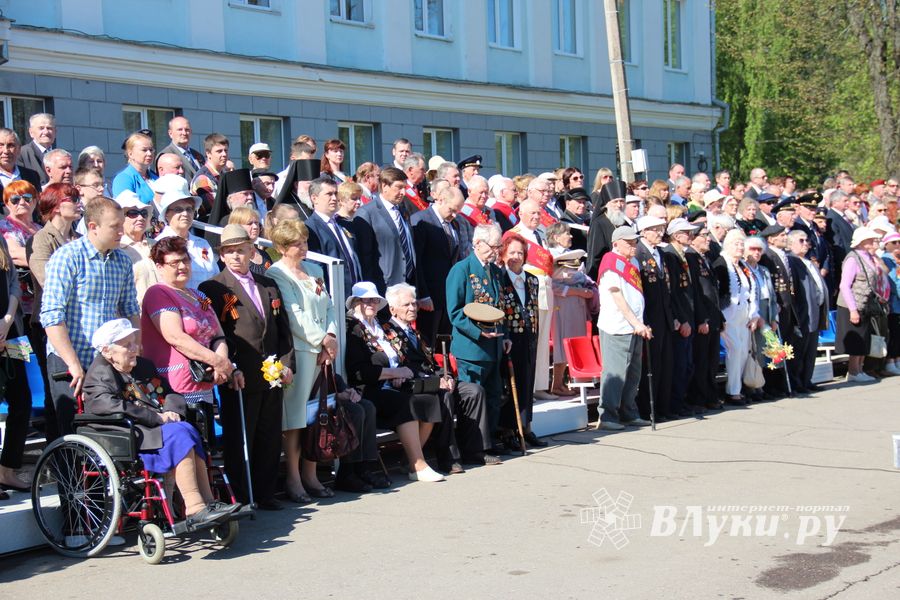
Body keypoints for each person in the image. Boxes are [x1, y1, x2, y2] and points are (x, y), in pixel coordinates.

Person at [267, 220, 386, 496]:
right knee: (297, 418)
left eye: (305, 242)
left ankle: (311, 474)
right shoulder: (278, 274)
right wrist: (321, 339)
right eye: (297, 243)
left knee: (318, 412)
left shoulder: (314, 269)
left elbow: (331, 307)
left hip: (324, 350)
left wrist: (330, 337)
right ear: (283, 248)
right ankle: (294, 478)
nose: (304, 247)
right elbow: (294, 315)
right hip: (301, 352)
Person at [83, 318, 240, 526]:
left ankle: (208, 503)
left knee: (186, 429)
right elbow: (108, 406)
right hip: (132, 434)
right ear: (107, 351)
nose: (134, 348)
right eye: (126, 345)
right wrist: (156, 417)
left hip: (159, 429)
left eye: (134, 342)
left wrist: (169, 410)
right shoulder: (99, 376)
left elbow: (172, 394)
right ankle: (194, 507)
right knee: (179, 433)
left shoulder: (144, 366)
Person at [199, 225, 294, 510]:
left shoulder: (268, 284)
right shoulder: (213, 287)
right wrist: (230, 367)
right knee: (241, 436)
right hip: (240, 373)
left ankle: (266, 492)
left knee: (268, 434)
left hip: (272, 372)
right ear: (222, 255)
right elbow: (215, 333)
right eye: (229, 252)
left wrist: (287, 363)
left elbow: (281, 327)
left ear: (252, 252)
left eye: (241, 250)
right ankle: (241, 495)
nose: (236, 257)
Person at [40, 196, 141, 436]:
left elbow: (130, 309)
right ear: (93, 226)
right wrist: (73, 363)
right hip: (69, 356)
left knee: (103, 431)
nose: (121, 231)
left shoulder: (123, 261)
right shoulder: (67, 257)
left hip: (107, 359)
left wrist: (136, 347)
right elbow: (52, 316)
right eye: (114, 226)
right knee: (71, 430)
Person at [383, 283, 496, 470]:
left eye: (414, 304)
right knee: (444, 396)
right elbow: (403, 365)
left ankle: (475, 451)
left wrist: (446, 376)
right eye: (406, 305)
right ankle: (448, 458)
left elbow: (432, 362)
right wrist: (436, 380)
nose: (412, 308)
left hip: (432, 378)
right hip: (411, 383)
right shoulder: (387, 332)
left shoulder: (417, 331)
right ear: (392, 309)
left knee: (473, 391)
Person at [345, 281, 446, 482]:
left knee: (430, 400)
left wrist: (398, 373)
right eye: (366, 301)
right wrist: (394, 373)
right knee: (405, 403)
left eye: (374, 300)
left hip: (390, 385)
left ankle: (409, 461)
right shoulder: (353, 328)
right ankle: (418, 464)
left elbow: (395, 358)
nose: (371, 304)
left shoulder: (377, 326)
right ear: (356, 302)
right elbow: (359, 372)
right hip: (369, 389)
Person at [141, 236, 233, 445]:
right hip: (175, 386)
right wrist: (217, 362)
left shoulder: (198, 295)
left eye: (185, 261)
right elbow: (175, 337)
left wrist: (222, 363)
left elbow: (217, 334)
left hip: (205, 383)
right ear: (159, 266)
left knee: (205, 448)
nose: (182, 266)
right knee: (187, 449)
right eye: (174, 263)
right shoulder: (158, 292)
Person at [446, 224, 512, 453]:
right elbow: (454, 312)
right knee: (475, 399)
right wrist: (477, 332)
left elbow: (500, 307)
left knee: (494, 396)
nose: (496, 251)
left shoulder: (495, 271)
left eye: (498, 246)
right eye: (492, 246)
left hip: (493, 345)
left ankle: (489, 442)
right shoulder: (461, 270)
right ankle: (473, 448)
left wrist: (506, 335)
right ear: (477, 244)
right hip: (471, 348)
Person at [595, 226, 652, 430]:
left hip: (635, 325)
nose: (633, 245)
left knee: (633, 372)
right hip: (617, 325)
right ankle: (608, 415)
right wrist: (636, 322)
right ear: (616, 243)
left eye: (635, 241)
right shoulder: (611, 262)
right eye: (628, 242)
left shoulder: (633, 261)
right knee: (616, 372)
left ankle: (628, 411)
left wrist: (640, 322)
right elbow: (617, 295)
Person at [497, 234, 549, 445]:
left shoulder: (532, 280)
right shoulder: (498, 278)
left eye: (520, 253)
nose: (516, 257)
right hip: (509, 338)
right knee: (511, 385)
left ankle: (526, 426)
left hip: (529, 336)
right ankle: (508, 430)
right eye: (512, 253)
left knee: (527, 382)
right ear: (503, 254)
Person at [410, 184, 467, 348]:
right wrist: (423, 294)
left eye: (458, 211)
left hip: (448, 294)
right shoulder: (421, 220)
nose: (455, 215)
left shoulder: (453, 223)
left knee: (445, 340)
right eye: (452, 209)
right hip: (430, 295)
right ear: (441, 200)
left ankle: (446, 371)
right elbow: (417, 262)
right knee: (429, 341)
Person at [635, 215, 676, 420]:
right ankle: (647, 409)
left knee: (666, 364)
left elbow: (669, 288)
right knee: (650, 366)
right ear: (644, 231)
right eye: (655, 229)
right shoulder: (638, 252)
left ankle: (663, 407)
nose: (660, 233)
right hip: (648, 316)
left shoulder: (660, 252)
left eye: (661, 229)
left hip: (665, 317)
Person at [836, 227, 890, 382]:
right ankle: (853, 371)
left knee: (864, 337)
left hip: (865, 304)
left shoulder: (868, 257)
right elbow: (845, 285)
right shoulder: (853, 258)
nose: (874, 241)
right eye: (870, 239)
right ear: (861, 241)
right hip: (852, 304)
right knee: (856, 340)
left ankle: (859, 369)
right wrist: (853, 310)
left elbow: (881, 273)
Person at [714, 229, 761, 404]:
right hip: (728, 315)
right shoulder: (721, 263)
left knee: (743, 351)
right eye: (736, 243)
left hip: (744, 315)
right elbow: (718, 292)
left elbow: (751, 291)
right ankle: (732, 391)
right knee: (735, 350)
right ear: (727, 245)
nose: (740, 247)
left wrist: (754, 314)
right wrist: (720, 317)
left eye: (742, 244)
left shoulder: (742, 265)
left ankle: (738, 388)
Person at [0, 236, 32, 492]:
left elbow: (13, 284)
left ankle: (7, 470)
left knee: (22, 400)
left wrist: (7, 320)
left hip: (12, 333)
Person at [663, 218, 703, 417]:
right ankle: (674, 404)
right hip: (681, 318)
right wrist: (682, 319)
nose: (690, 236)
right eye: (686, 232)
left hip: (690, 314)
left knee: (687, 364)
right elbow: (674, 292)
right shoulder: (670, 255)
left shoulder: (685, 256)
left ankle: (681, 401)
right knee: (679, 365)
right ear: (676, 235)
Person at [355, 167, 418, 290]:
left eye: (404, 188)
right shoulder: (367, 213)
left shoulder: (403, 210)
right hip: (385, 286)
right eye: (399, 187)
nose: (403, 193)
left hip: (409, 284)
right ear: (384, 186)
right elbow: (365, 257)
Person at [685, 224, 725, 410]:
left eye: (708, 234)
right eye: (703, 235)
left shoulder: (704, 258)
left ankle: (710, 394)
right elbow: (697, 292)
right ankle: (700, 398)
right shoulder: (691, 258)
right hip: (703, 319)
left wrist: (719, 317)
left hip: (713, 316)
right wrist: (702, 319)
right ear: (693, 238)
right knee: (701, 361)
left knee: (711, 360)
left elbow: (712, 289)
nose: (708, 238)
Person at [154, 176, 219, 289]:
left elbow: (216, 277)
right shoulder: (158, 244)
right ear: (166, 215)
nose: (185, 214)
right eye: (178, 209)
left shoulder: (202, 243)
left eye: (189, 209)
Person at [304, 177, 364, 298]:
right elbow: (316, 267)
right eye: (329, 194)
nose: (335, 198)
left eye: (336, 193)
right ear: (314, 198)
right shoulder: (310, 228)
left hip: (356, 294)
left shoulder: (343, 223)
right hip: (335, 296)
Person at [786, 230, 829, 393]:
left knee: (811, 348)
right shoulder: (791, 261)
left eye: (807, 241)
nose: (806, 243)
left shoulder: (809, 261)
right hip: (803, 312)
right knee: (799, 348)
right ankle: (797, 382)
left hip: (815, 310)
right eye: (801, 240)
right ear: (790, 244)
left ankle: (807, 379)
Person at [744, 235, 780, 400]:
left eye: (759, 250)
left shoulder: (764, 270)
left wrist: (774, 318)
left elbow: (772, 297)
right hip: (754, 313)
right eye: (753, 249)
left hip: (767, 310)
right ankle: (753, 387)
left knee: (769, 350)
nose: (756, 253)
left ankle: (766, 385)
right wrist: (757, 316)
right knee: (755, 350)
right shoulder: (744, 268)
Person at [1, 180, 41, 320]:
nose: (22, 202)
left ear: (35, 201)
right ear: (7, 204)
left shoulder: (40, 228)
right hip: (20, 301)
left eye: (27, 198)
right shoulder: (4, 226)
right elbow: (16, 254)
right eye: (15, 199)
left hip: (42, 300)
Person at [115, 190, 158, 304]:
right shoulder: (115, 250)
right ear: (119, 217)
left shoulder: (156, 245)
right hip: (136, 316)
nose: (140, 218)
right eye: (133, 213)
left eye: (144, 213)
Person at [191, 133, 230, 219]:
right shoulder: (203, 179)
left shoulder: (223, 175)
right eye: (219, 151)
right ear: (208, 154)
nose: (224, 154)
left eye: (226, 150)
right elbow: (214, 207)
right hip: (209, 228)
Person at [112, 131, 157, 205]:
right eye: (144, 150)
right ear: (130, 154)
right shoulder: (123, 179)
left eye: (151, 150)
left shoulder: (155, 177)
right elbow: (126, 209)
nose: (149, 153)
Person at [156, 116, 205, 181]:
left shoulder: (198, 155)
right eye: (180, 130)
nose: (184, 133)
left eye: (187, 130)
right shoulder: (165, 155)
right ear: (170, 133)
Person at [227, 206, 271, 276]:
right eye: (249, 223)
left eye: (256, 223)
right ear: (237, 226)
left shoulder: (264, 255)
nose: (255, 227)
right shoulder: (233, 257)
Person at [0, 127, 42, 195]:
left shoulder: (32, 176)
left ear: (19, 149)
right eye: (1, 145)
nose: (6, 151)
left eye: (11, 145)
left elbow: (36, 202)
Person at [881, 232, 900, 375]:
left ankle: (898, 359)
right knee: (893, 333)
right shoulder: (886, 259)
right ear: (886, 244)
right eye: (894, 243)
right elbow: (892, 281)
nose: (897, 245)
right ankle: (890, 361)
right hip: (893, 303)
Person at [18, 113, 56, 186]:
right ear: (31, 132)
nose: (46, 132)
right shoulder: (21, 154)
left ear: (55, 131)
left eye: (49, 128)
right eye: (41, 128)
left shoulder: (60, 155)